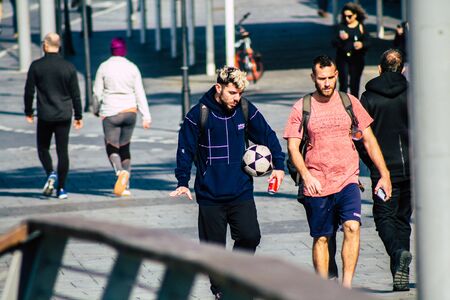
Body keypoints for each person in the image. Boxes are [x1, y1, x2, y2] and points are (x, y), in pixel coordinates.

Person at [170, 66, 285, 299]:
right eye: (233, 93)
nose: (237, 98)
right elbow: (185, 150)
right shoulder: (198, 114)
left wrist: (279, 165)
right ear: (218, 88)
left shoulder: (244, 109)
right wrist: (182, 180)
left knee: (251, 236)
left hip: (240, 191)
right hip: (210, 195)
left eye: (240, 93)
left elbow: (267, 135)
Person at [284, 55, 392, 288]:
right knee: (322, 238)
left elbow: (369, 141)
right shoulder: (302, 107)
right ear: (313, 77)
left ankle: (346, 287)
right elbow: (293, 147)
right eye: (321, 78)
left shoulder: (349, 102)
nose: (326, 83)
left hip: (348, 179)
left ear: (337, 76)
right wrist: (306, 176)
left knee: (352, 227)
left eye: (330, 78)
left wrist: (384, 174)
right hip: (317, 182)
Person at [359, 49, 412, 291]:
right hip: (412, 169)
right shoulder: (413, 93)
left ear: (379, 69)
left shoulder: (368, 98)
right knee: (402, 219)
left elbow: (360, 138)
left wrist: (371, 165)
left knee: (383, 218)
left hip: (383, 172)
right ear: (401, 69)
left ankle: (397, 252)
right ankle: (400, 270)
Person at [24, 32, 83, 199]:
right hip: (64, 115)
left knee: (43, 148)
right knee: (62, 151)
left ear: (45, 45)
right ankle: (62, 189)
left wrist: (28, 111)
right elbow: (75, 94)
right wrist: (78, 116)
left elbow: (29, 91)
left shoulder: (36, 66)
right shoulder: (69, 67)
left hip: (45, 115)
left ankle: (51, 172)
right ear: (59, 45)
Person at [93, 37, 151, 197]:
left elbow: (97, 92)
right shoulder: (132, 67)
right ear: (124, 50)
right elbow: (140, 92)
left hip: (110, 112)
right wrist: (146, 116)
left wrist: (96, 110)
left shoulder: (104, 67)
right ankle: (126, 185)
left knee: (112, 146)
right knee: (125, 147)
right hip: (130, 112)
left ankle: (120, 172)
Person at [333, 2, 369, 97]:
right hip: (343, 58)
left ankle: (355, 104)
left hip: (357, 58)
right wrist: (340, 39)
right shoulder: (341, 26)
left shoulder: (361, 27)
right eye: (344, 16)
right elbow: (333, 42)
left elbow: (368, 42)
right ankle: (343, 103)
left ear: (355, 15)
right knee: (343, 82)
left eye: (349, 16)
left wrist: (361, 44)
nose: (347, 18)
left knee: (355, 83)